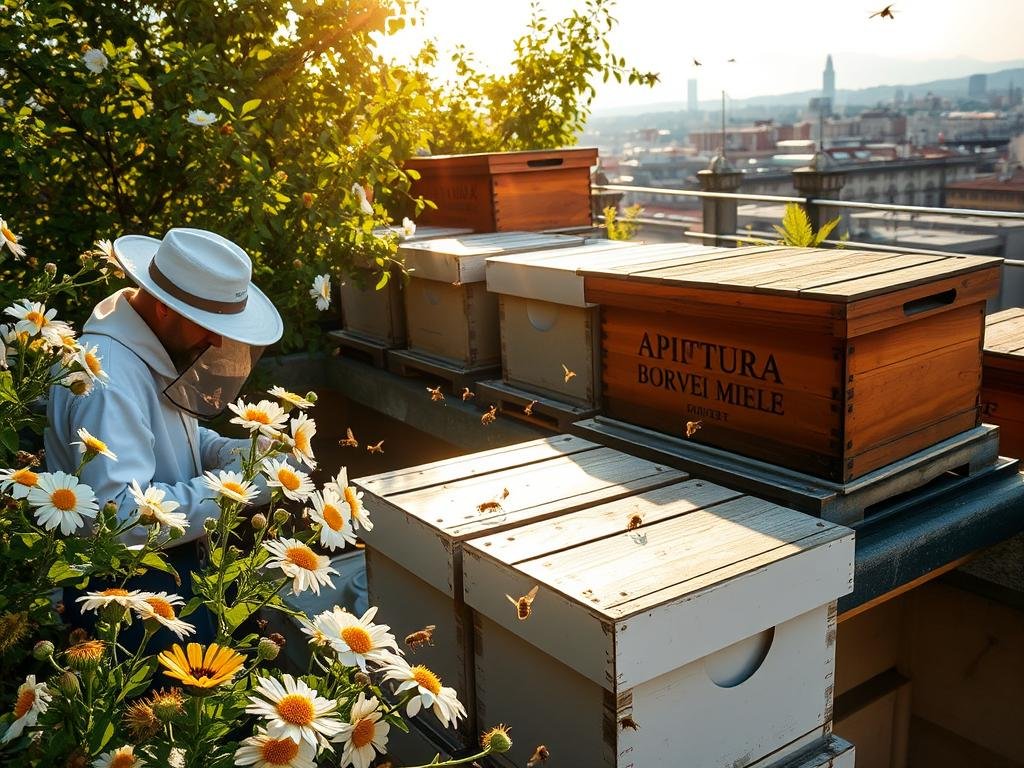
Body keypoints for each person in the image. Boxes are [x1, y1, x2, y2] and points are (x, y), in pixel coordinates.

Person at [45, 228, 284, 644]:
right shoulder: (108, 379)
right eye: (208, 323)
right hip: (124, 593)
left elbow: (171, 434)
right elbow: (119, 517)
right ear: (163, 308)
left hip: (169, 567)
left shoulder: (149, 349)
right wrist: (236, 488)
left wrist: (229, 452)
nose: (218, 339)